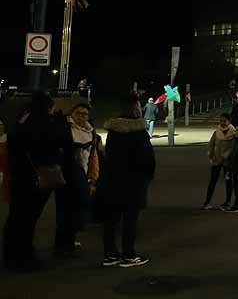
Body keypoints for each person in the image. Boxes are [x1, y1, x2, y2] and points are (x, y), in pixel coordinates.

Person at [2, 92, 70, 271]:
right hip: (37, 177)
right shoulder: (45, 124)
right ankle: (24, 257)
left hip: (20, 176)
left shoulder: (21, 123)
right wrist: (61, 122)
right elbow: (61, 141)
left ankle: (11, 254)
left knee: (17, 217)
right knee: (28, 218)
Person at [98, 93, 156, 268]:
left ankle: (110, 253)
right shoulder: (138, 132)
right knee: (130, 219)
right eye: (138, 106)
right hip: (134, 182)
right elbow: (148, 160)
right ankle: (128, 254)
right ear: (134, 108)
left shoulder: (113, 132)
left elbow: (108, 156)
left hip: (113, 179)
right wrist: (146, 178)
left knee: (111, 219)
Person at [60, 103, 102, 253]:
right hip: (66, 176)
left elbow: (93, 155)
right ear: (72, 113)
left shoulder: (91, 131)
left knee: (77, 210)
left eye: (84, 114)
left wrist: (93, 177)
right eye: (78, 113)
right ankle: (63, 244)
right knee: (65, 211)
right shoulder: (66, 129)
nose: (81, 117)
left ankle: (69, 240)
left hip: (83, 174)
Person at [202, 114, 237, 210]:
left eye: (224, 121)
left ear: (229, 122)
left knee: (228, 182)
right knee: (212, 181)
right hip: (216, 160)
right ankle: (207, 202)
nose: (222, 123)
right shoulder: (216, 132)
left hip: (227, 162)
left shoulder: (234, 133)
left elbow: (233, 148)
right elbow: (211, 144)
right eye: (221, 120)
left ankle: (227, 202)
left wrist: (226, 156)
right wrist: (211, 155)